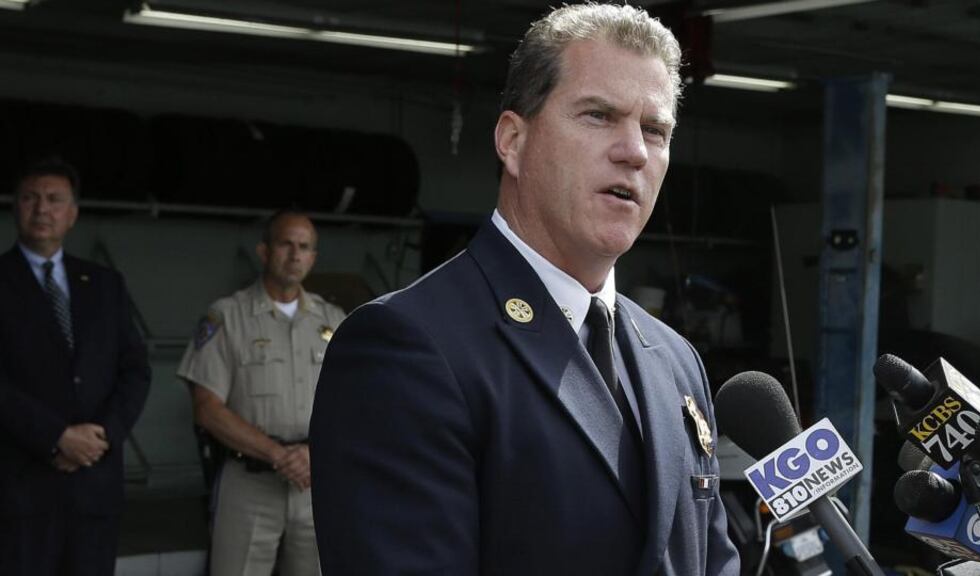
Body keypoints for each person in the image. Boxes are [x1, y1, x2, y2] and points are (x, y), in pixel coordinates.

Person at [309, 4, 740, 576]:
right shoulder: (408, 348)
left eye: (655, 130)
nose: (634, 150)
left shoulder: (675, 360)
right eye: (598, 115)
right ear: (513, 141)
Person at [0, 157, 152, 576]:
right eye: (31, 198)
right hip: (21, 488)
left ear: (72, 214)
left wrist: (101, 436)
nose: (42, 209)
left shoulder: (104, 283)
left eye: (54, 199)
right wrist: (55, 437)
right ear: (15, 207)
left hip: (94, 486)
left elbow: (135, 369)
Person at [177, 210, 346, 576]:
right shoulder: (227, 316)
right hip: (249, 481)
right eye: (286, 244)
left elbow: (356, 406)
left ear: (313, 258)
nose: (295, 254)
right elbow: (206, 408)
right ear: (264, 251)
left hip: (315, 482)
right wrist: (277, 455)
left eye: (304, 247)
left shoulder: (334, 321)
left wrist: (313, 454)